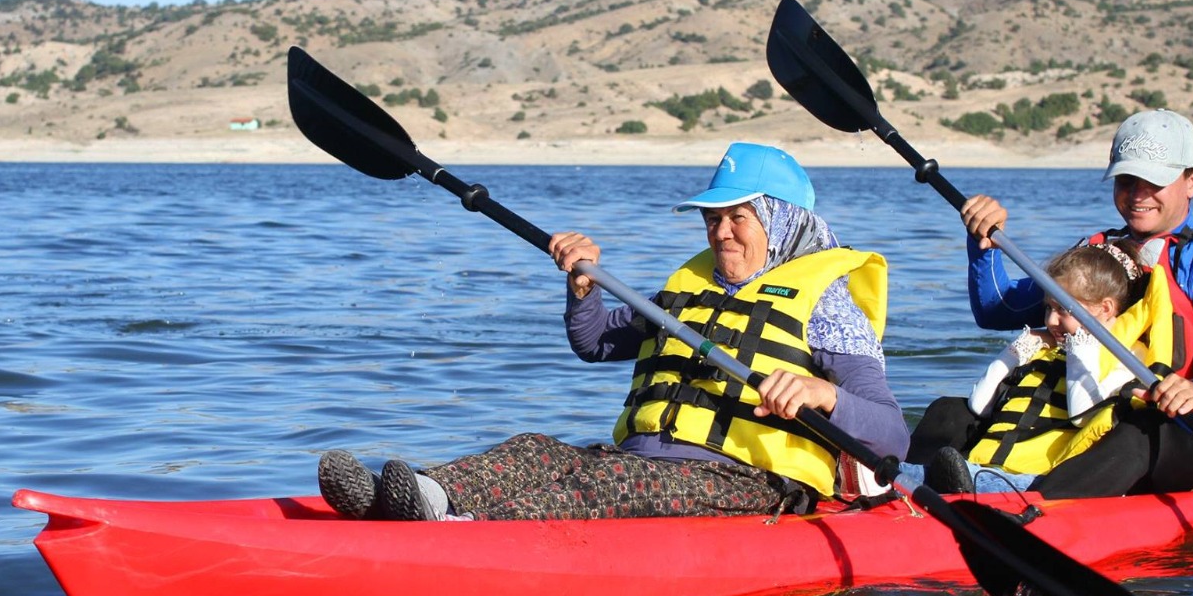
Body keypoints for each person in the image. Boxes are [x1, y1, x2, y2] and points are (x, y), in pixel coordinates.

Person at [317, 142, 909, 521]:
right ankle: (418, 498)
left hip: (745, 483)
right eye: (712, 218)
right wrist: (583, 290)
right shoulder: (690, 287)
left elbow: (891, 438)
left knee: (605, 482)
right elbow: (597, 342)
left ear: (782, 222)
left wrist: (821, 394)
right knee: (536, 450)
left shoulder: (828, 303)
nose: (720, 233)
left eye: (738, 218)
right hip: (639, 460)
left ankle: (460, 534)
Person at [953, 109, 1193, 499]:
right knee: (951, 413)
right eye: (1127, 180)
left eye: (1153, 180)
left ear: (1192, 180)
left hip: (1191, 443)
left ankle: (1023, 506)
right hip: (1087, 425)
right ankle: (901, 495)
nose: (1138, 194)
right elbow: (998, 311)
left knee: (1139, 434)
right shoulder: (1099, 256)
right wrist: (983, 243)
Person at [908, 241, 1170, 494]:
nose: (1051, 320)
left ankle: (923, 486)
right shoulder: (1048, 347)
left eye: (1062, 310)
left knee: (939, 477)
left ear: (1105, 308)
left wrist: (1080, 343)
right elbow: (979, 404)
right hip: (988, 466)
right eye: (1048, 308)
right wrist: (1020, 347)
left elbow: (1082, 415)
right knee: (932, 437)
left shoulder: (1130, 356)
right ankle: (896, 480)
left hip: (1038, 480)